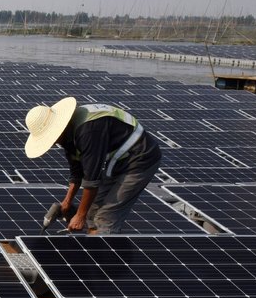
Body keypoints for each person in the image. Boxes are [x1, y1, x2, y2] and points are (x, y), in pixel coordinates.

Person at [24, 96, 162, 234]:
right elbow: (77, 173)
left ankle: (104, 251)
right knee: (91, 212)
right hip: (118, 161)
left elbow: (91, 180)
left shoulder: (88, 132)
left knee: (106, 217)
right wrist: (67, 202)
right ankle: (91, 244)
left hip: (141, 159)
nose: (53, 143)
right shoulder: (69, 133)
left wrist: (79, 216)